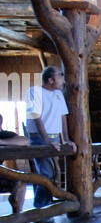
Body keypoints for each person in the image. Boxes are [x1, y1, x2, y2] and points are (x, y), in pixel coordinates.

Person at [25, 65, 76, 208]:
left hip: (55, 138)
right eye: (60, 76)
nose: (63, 80)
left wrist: (66, 139)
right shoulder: (34, 92)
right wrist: (47, 141)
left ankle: (46, 209)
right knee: (46, 174)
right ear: (50, 80)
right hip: (39, 138)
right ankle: (41, 211)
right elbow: (37, 117)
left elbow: (62, 117)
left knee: (52, 174)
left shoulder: (58, 95)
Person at [0, 114, 30, 223]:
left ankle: (17, 219)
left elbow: (25, 141)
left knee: (20, 180)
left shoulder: (4, 135)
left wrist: (2, 141)